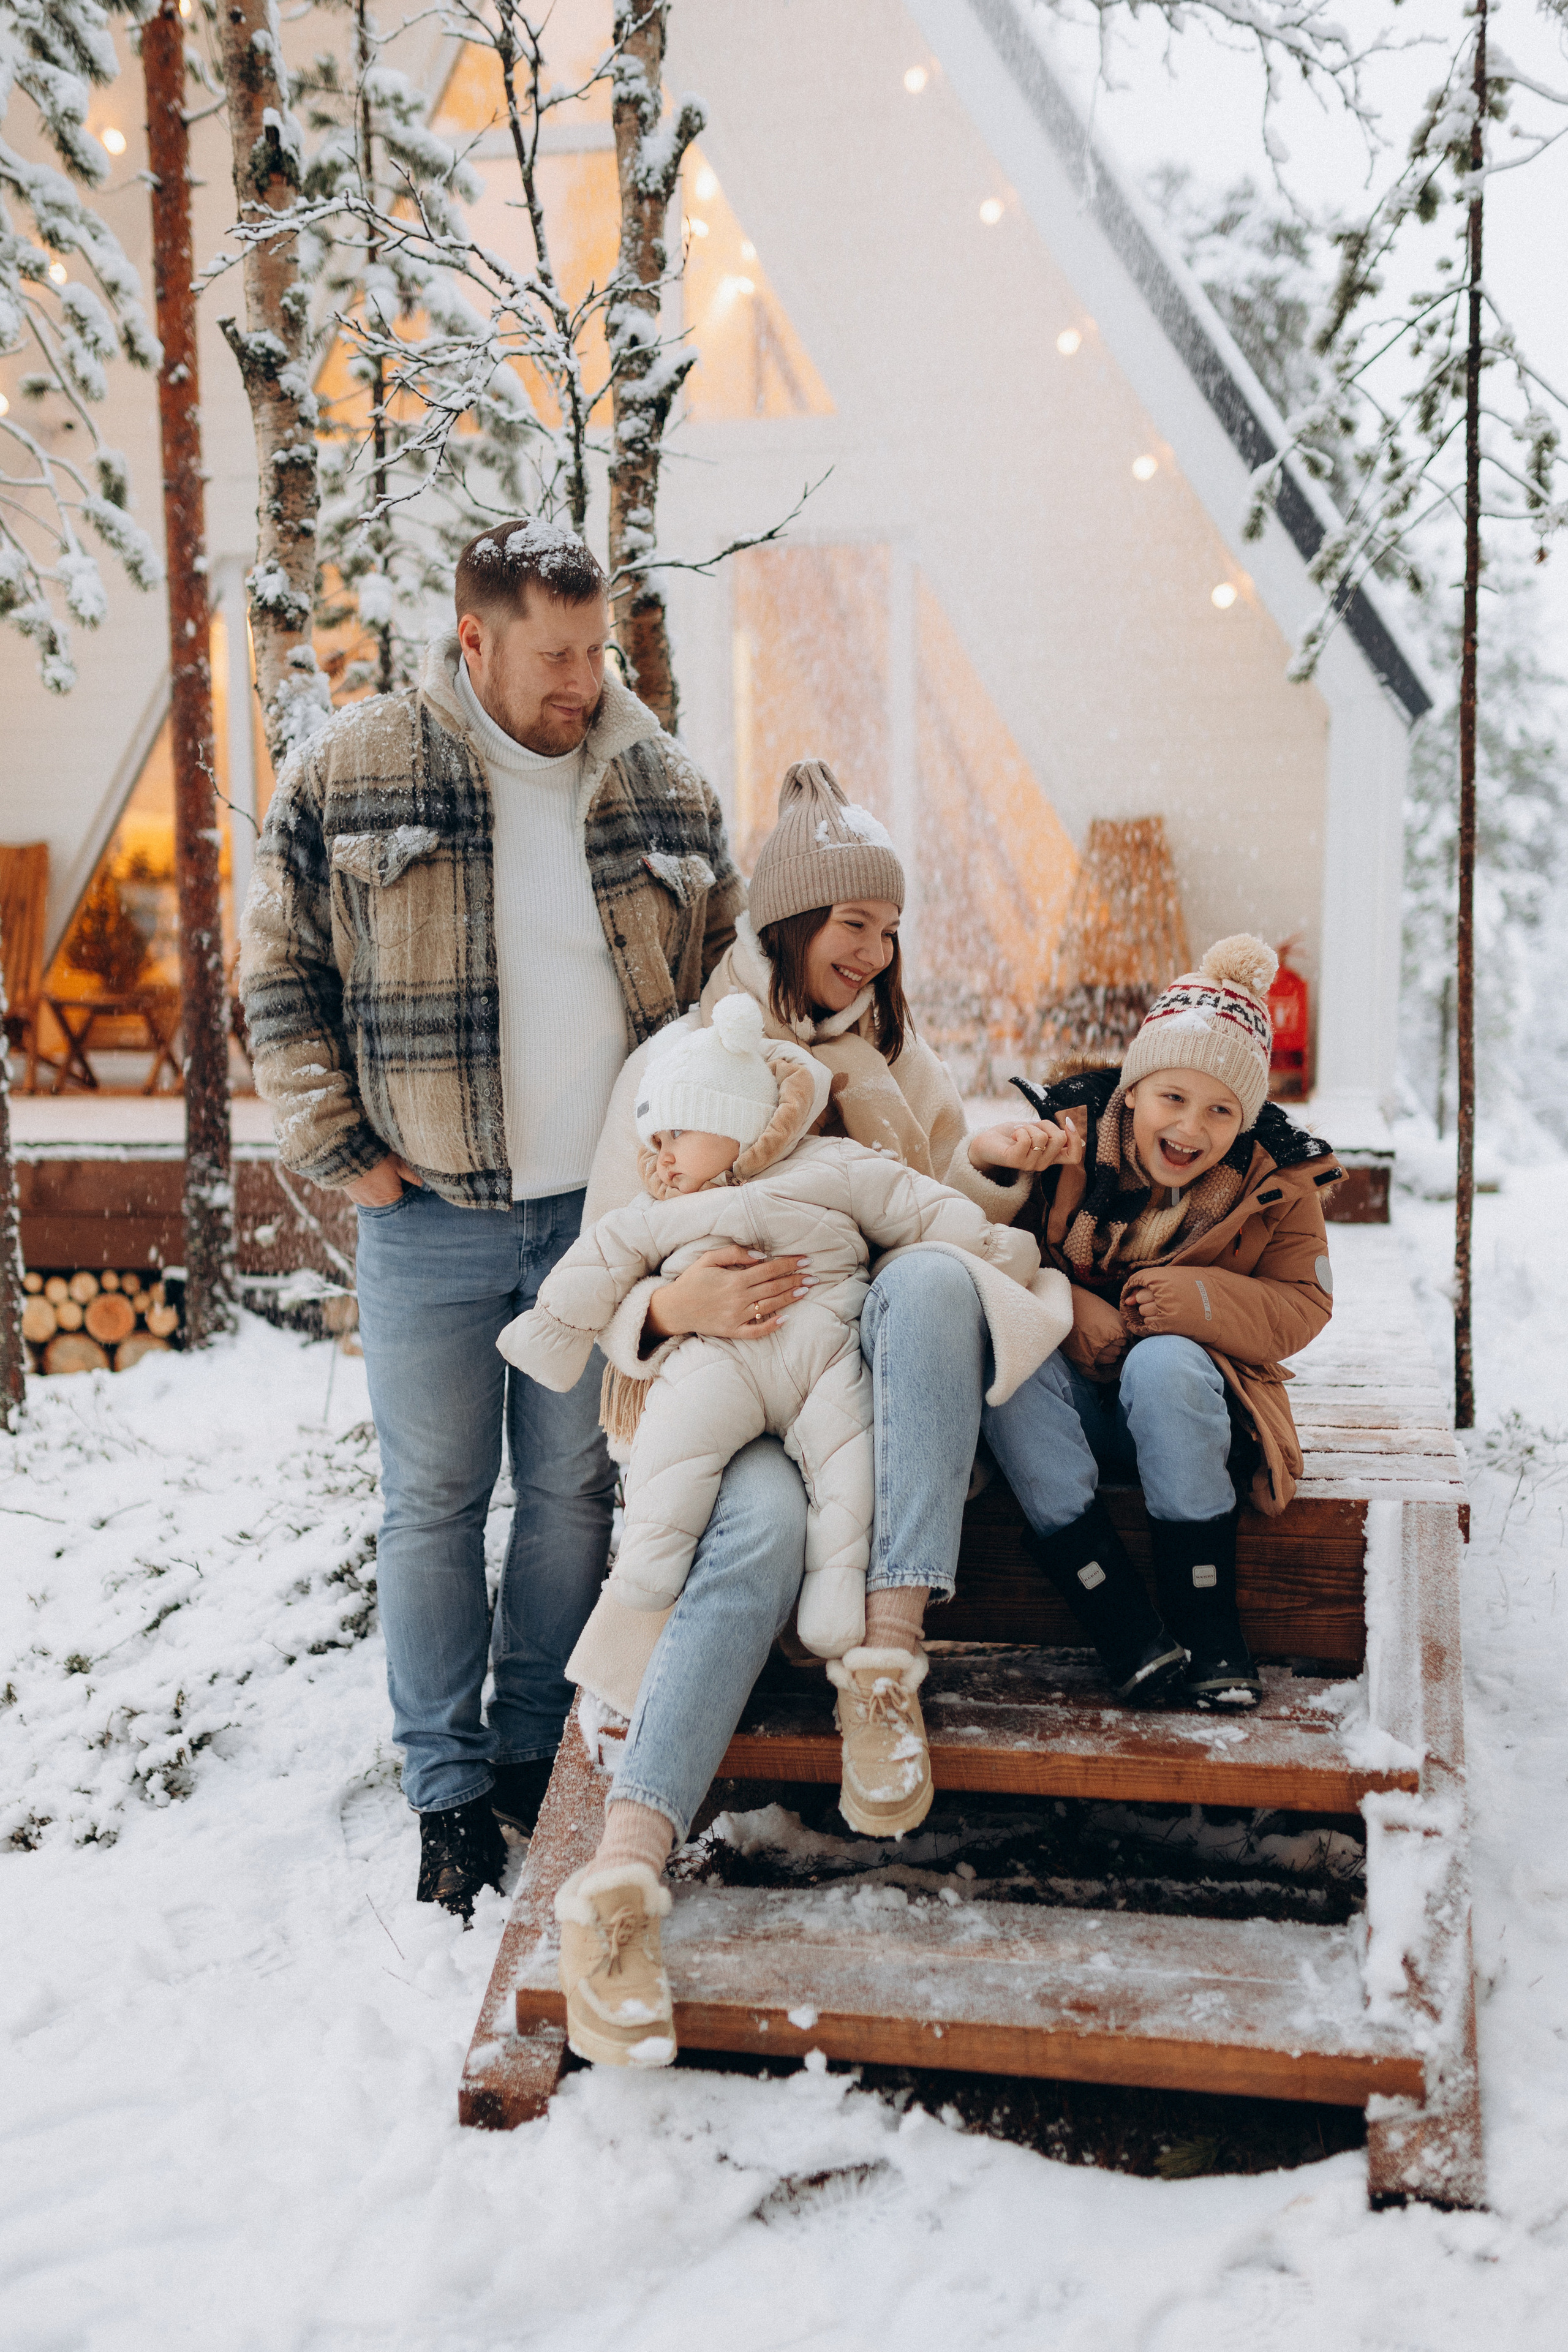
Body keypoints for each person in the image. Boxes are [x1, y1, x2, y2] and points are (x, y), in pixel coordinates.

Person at [239, 519, 760, 1916]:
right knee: (433, 1503)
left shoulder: (660, 784)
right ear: (473, 640)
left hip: (604, 1219)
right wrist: (341, 1149)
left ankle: (531, 1748)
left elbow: (727, 981)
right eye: (554, 655)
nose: (584, 679)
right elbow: (280, 971)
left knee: (572, 1494)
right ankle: (444, 1787)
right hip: (428, 1214)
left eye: (596, 650)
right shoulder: (354, 769)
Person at [545, 760, 1072, 2068]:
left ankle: (885, 1663)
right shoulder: (680, 1062)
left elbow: (931, 1208)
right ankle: (621, 1879)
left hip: (857, 1381)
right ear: (788, 921)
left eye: (890, 931)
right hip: (716, 1391)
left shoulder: (896, 1062)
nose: (875, 953)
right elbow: (609, 1249)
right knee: (762, 1528)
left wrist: (993, 1170)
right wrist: (673, 1309)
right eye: (853, 925)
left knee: (934, 1278)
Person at [984, 935, 1344, 1712]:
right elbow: (983, 1246)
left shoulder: (1276, 1180)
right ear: (1135, 1088)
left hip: (1195, 1414)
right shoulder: (1067, 1139)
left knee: (1165, 1361)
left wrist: (1199, 1301)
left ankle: (1205, 1617)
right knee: (1007, 1357)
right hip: (1069, 1415)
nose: (1190, 1128)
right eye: (1172, 1098)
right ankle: (1115, 1614)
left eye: (1220, 1111)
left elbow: (1303, 1301)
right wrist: (1061, 1299)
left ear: (1245, 1121)